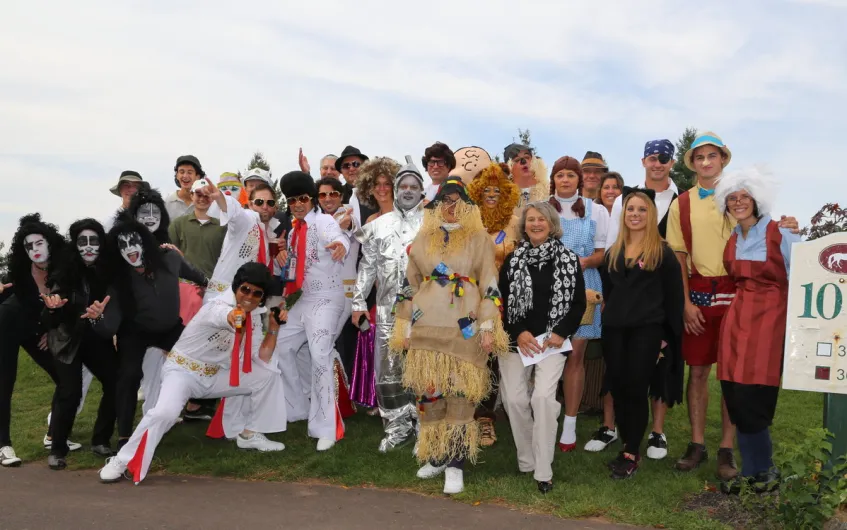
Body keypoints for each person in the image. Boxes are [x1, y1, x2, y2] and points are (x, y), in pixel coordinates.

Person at [667, 131, 799, 479]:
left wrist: (790, 228)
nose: (706, 162)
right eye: (699, 157)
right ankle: (697, 444)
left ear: (723, 159)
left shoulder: (748, 201)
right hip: (699, 292)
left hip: (740, 297)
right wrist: (684, 302)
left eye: (712, 156)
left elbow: (783, 253)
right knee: (700, 371)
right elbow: (678, 256)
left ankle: (728, 449)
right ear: (692, 163)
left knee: (737, 373)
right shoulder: (681, 203)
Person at [98, 263, 287, 485]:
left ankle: (249, 434)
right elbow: (226, 316)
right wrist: (236, 316)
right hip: (183, 371)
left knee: (267, 374)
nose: (250, 297)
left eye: (257, 294)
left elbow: (261, 357)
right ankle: (121, 460)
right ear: (236, 287)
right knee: (165, 413)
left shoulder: (254, 316)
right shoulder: (217, 306)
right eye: (245, 289)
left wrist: (273, 328)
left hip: (215, 376)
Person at [390, 177, 508, 495]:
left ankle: (456, 464)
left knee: (460, 394)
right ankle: (439, 455)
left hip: (463, 328)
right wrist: (403, 326)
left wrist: (487, 327)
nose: (450, 207)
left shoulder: (480, 239)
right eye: (444, 201)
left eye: (456, 201)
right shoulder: (423, 239)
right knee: (430, 394)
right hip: (426, 327)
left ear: (467, 206)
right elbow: (409, 285)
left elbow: (490, 284)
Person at [714, 168, 799, 494]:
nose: (738, 202)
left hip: (769, 323)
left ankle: (762, 473)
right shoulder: (735, 237)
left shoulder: (782, 233)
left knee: (754, 397)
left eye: (744, 196)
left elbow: (802, 277)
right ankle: (753, 472)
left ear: (757, 200)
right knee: (733, 392)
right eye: (733, 198)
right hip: (737, 321)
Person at [96, 216, 208, 449]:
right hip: (134, 332)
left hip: (170, 327)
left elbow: (195, 274)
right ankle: (125, 435)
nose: (130, 248)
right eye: (122, 245)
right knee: (128, 375)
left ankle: (200, 406)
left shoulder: (170, 258)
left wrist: (208, 284)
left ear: (145, 241)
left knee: (202, 358)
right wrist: (97, 318)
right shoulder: (119, 280)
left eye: (134, 241)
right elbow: (109, 328)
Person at [499, 201, 586, 494]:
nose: (536, 224)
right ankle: (527, 459)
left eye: (541, 219)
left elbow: (578, 304)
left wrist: (561, 333)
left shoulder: (569, 259)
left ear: (551, 224)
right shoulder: (512, 261)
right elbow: (503, 302)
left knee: (544, 400)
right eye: (531, 219)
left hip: (552, 342)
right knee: (514, 400)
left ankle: (543, 470)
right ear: (524, 225)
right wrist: (519, 331)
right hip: (516, 340)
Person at [600, 139, 680, 459]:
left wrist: (666, 339)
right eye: (630, 209)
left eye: (642, 210)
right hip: (615, 331)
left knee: (636, 388)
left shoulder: (663, 254)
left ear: (651, 214)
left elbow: (673, 300)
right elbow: (609, 294)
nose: (635, 214)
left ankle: (632, 450)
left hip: (648, 332)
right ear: (623, 214)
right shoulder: (613, 254)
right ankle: (626, 440)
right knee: (619, 387)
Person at [352, 157, 426, 452]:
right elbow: (367, 268)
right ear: (395, 190)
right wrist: (358, 303)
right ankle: (396, 429)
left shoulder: (433, 226)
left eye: (414, 187)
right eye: (403, 186)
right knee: (388, 374)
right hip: (386, 312)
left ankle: (424, 430)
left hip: (424, 313)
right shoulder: (377, 226)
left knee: (422, 371)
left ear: (421, 192)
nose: (408, 191)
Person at [274, 171, 350, 452]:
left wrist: (340, 245)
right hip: (304, 299)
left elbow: (338, 237)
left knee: (320, 355)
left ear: (312, 200)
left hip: (328, 298)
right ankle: (297, 407)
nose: (297, 204)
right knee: (280, 345)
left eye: (302, 198)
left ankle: (327, 426)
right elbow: (294, 271)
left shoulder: (324, 221)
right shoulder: (294, 232)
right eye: (292, 200)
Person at [41, 219, 119, 469]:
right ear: (75, 245)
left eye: (93, 241)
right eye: (82, 241)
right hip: (67, 339)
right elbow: (49, 314)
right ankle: (57, 448)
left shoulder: (108, 270)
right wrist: (54, 310)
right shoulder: (63, 272)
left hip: (95, 337)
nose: (88, 247)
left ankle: (100, 440)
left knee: (116, 381)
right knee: (70, 391)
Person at [547, 156, 610, 452]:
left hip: (585, 286)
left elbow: (602, 253)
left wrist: (580, 262)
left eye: (571, 175)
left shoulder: (596, 210)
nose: (566, 180)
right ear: (554, 179)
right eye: (560, 175)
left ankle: (569, 426)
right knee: (548, 353)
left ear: (579, 180)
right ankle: (546, 416)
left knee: (576, 355)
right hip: (548, 288)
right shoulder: (543, 209)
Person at [0, 214, 72, 467]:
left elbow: (63, 305)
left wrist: (46, 331)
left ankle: (54, 434)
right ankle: (3, 445)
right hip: (8, 324)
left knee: (64, 378)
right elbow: (16, 301)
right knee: (5, 382)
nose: (35, 250)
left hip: (34, 329)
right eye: (29, 246)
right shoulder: (19, 270)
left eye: (39, 243)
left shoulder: (61, 269)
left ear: (50, 243)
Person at [466, 161, 521, 446]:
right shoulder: (468, 220)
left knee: (498, 358)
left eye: (496, 190)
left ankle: (495, 415)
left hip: (508, 301)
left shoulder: (516, 221)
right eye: (485, 190)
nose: (490, 194)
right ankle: (475, 416)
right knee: (475, 358)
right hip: (471, 301)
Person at [202, 180, 280, 303]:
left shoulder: (270, 235)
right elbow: (235, 212)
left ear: (275, 206)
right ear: (250, 204)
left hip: (248, 301)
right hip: (222, 298)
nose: (265, 207)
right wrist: (220, 197)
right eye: (259, 202)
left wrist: (280, 252)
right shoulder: (247, 219)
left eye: (270, 203)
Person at [316, 177, 359, 380]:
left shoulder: (349, 214)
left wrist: (344, 225)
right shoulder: (316, 220)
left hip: (345, 291)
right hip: (320, 291)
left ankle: (338, 391)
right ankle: (332, 390)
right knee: (325, 341)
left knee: (330, 341)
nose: (327, 199)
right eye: (322, 195)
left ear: (340, 196)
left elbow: (352, 227)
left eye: (332, 194)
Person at [504, 143, 549, 214]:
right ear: (509, 168)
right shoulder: (504, 199)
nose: (523, 162)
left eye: (527, 157)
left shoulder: (551, 191)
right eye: (517, 160)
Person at [336, 145, 377, 223]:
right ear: (341, 171)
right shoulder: (336, 195)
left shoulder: (377, 190)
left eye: (356, 164)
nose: (351, 169)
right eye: (346, 166)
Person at [356, 157, 401, 224]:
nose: (382, 188)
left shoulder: (405, 215)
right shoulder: (370, 221)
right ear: (369, 188)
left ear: (395, 186)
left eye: (387, 184)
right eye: (376, 184)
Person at [165, 155, 204, 220]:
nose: (185, 176)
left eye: (190, 172)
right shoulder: (167, 202)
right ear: (177, 175)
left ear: (197, 176)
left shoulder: (205, 202)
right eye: (181, 172)